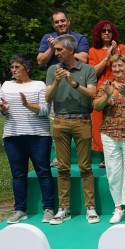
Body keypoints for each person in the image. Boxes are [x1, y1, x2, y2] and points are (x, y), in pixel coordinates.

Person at [45, 34, 98, 225]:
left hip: (82, 120)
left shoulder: (87, 69)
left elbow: (92, 93)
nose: (56, 53)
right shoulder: (53, 69)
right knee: (63, 167)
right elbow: (47, 97)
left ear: (71, 50)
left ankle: (90, 207)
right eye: (56, 50)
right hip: (59, 121)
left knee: (85, 167)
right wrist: (58, 81)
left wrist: (73, 82)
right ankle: (63, 208)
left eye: (60, 50)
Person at [0, 55, 54, 224]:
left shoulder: (39, 85)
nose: (13, 70)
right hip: (13, 137)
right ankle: (20, 209)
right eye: (12, 67)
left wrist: (27, 104)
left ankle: (48, 208)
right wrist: (4, 109)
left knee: (43, 172)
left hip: (38, 136)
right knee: (18, 174)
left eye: (17, 67)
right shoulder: (6, 86)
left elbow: (45, 110)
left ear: (27, 69)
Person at [93, 54, 125, 224]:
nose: (117, 69)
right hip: (110, 134)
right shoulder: (105, 85)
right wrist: (108, 96)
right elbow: (97, 106)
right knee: (114, 173)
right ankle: (119, 208)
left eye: (120, 66)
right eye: (114, 66)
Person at [88, 20, 125, 168]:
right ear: (99, 34)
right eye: (103, 31)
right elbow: (93, 72)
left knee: (120, 120)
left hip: (121, 88)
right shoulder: (93, 51)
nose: (107, 33)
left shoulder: (122, 47)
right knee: (100, 122)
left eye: (109, 31)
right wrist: (107, 56)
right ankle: (106, 156)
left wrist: (115, 54)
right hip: (102, 90)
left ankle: (123, 154)